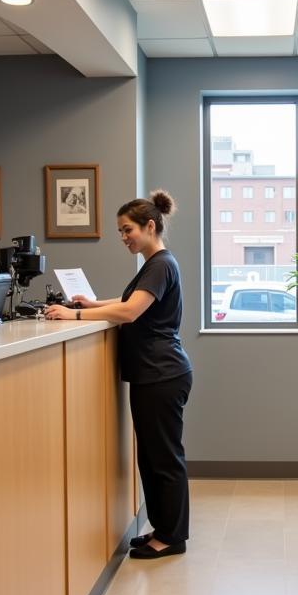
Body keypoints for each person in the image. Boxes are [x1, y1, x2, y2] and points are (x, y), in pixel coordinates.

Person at [45, 190, 193, 559]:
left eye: (127, 230)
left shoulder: (160, 264)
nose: (123, 237)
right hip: (153, 374)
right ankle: (162, 529)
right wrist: (92, 304)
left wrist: (74, 315)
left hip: (162, 374)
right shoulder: (153, 264)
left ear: (149, 226)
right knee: (151, 457)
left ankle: (172, 537)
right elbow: (128, 302)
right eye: (120, 231)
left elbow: (130, 313)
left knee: (164, 458)